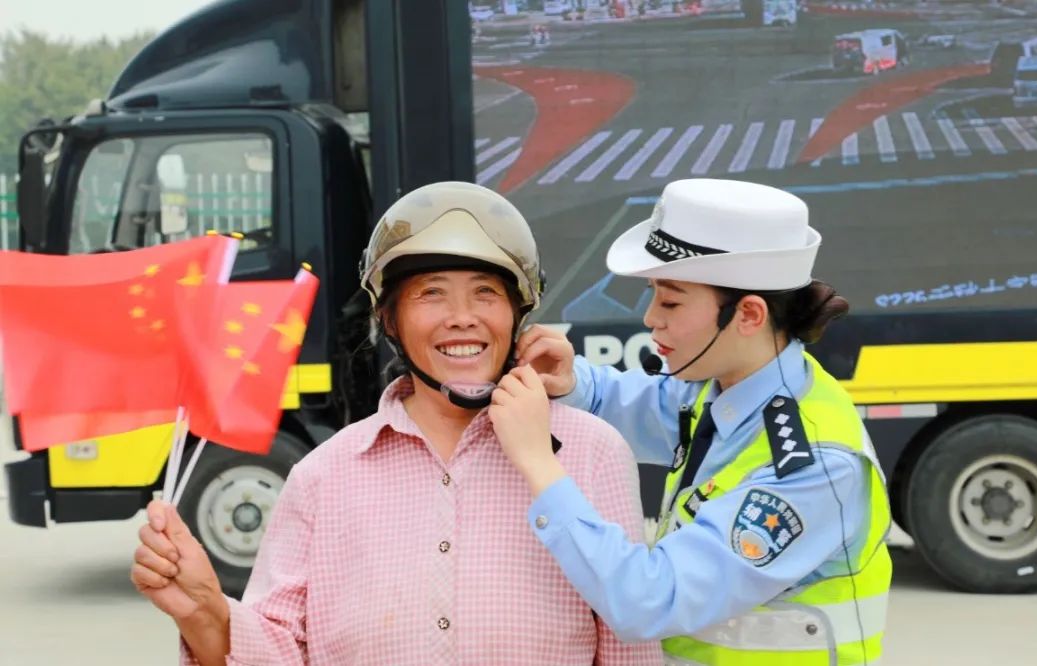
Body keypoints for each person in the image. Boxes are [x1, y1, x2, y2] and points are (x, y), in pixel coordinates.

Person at [130, 181, 663, 666]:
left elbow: (628, 646)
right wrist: (205, 613)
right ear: (389, 320)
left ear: (517, 316)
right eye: (432, 292)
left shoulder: (590, 453)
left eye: (486, 292)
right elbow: (284, 650)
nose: (462, 315)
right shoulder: (323, 476)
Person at [493, 179, 892, 665]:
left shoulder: (814, 466)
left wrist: (539, 464)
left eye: (672, 301)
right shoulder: (728, 384)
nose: (650, 318)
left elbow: (647, 600)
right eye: (653, 294)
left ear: (747, 314)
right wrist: (572, 378)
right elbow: (644, 402)